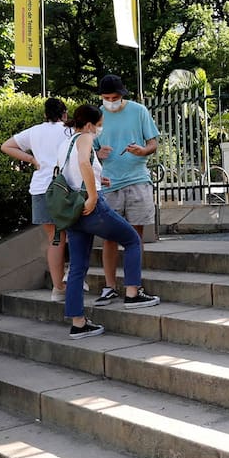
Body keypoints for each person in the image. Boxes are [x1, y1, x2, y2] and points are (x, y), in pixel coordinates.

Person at [59, 104, 160, 339]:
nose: (100, 128)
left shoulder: (66, 142)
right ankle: (133, 293)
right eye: (100, 124)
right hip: (92, 208)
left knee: (77, 267)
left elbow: (72, 172)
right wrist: (94, 195)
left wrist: (97, 179)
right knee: (133, 239)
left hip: (73, 211)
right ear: (89, 124)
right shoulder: (84, 137)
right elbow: (84, 162)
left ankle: (78, 323)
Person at [1, 98, 75, 299]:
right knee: (76, 234)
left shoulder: (34, 131)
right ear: (65, 114)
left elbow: (6, 146)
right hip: (66, 188)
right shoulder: (70, 131)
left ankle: (58, 288)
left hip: (41, 188)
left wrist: (32, 159)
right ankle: (74, 279)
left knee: (55, 240)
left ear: (45, 114)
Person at [93, 74, 158, 305]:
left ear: (123, 95)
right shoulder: (97, 116)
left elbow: (153, 143)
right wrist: (98, 154)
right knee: (109, 238)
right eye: (107, 98)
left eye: (115, 97)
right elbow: (88, 150)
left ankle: (134, 285)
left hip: (138, 178)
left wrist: (143, 150)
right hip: (109, 182)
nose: (111, 101)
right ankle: (109, 286)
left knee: (135, 235)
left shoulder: (139, 111)